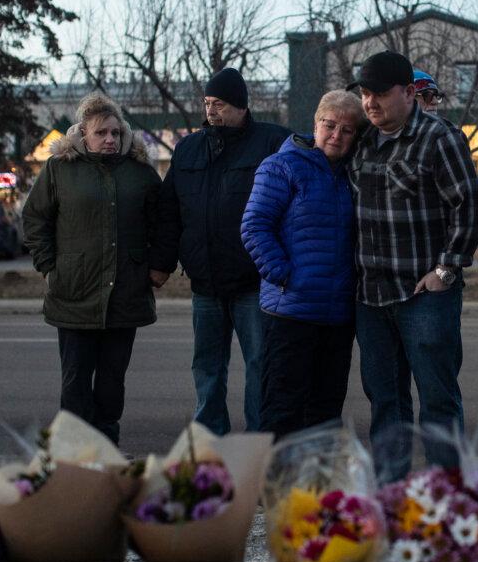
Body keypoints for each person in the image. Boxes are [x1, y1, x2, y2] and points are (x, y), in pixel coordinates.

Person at [347, 50, 478, 480]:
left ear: (408, 92)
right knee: (385, 402)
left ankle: (449, 496)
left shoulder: (437, 137)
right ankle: (392, 496)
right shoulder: (363, 142)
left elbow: (469, 205)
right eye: (365, 95)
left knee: (438, 401)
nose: (370, 103)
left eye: (380, 95)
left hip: (424, 297)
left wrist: (446, 270)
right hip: (371, 298)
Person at [149, 68, 290, 434]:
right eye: (208, 104)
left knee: (261, 365)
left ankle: (260, 441)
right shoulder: (188, 149)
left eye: (221, 104)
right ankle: (211, 438)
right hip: (205, 283)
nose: (212, 111)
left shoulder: (272, 142)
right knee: (207, 366)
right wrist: (161, 264)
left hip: (253, 282)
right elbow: (170, 212)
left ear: (241, 106)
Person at [22, 92, 161, 446]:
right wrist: (48, 264)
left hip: (125, 293)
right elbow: (36, 217)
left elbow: (164, 221)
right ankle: (73, 453)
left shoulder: (140, 172)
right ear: (83, 134)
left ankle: (107, 447)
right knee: (75, 381)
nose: (110, 140)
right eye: (101, 133)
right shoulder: (59, 168)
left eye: (115, 132)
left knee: (112, 381)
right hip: (73, 292)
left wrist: (158, 266)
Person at [241, 90, 364, 439]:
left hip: (337, 316)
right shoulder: (282, 166)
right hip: (290, 311)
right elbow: (254, 225)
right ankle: (275, 489)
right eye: (329, 125)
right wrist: (284, 275)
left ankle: (316, 490)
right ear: (315, 124)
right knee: (282, 411)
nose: (336, 135)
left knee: (325, 414)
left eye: (347, 129)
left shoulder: (352, 174)